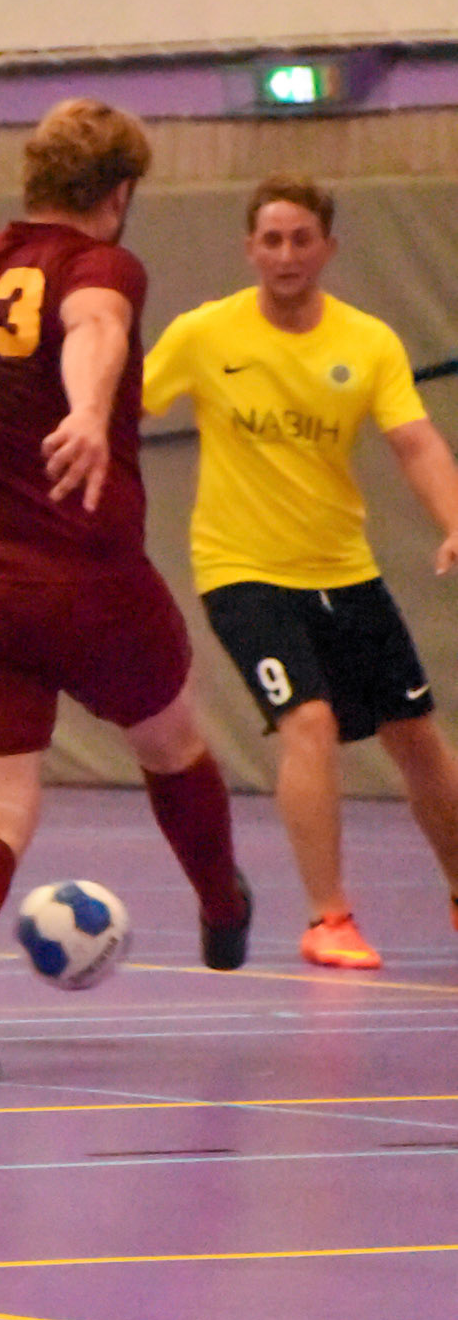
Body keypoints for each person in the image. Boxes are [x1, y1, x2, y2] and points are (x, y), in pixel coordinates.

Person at [0, 99, 250, 1081]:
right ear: (117, 194)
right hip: (89, 581)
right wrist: (83, 409)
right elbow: (95, 324)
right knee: (170, 740)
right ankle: (220, 902)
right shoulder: (99, 264)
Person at [144, 175, 458, 970]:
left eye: (301, 239)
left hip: (344, 571)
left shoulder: (368, 342)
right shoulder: (203, 334)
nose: (286, 254)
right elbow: (118, 410)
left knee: (416, 737)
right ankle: (329, 919)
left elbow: (415, 441)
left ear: (328, 249)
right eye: (272, 240)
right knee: (309, 722)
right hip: (242, 571)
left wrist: (455, 521)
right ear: (250, 249)